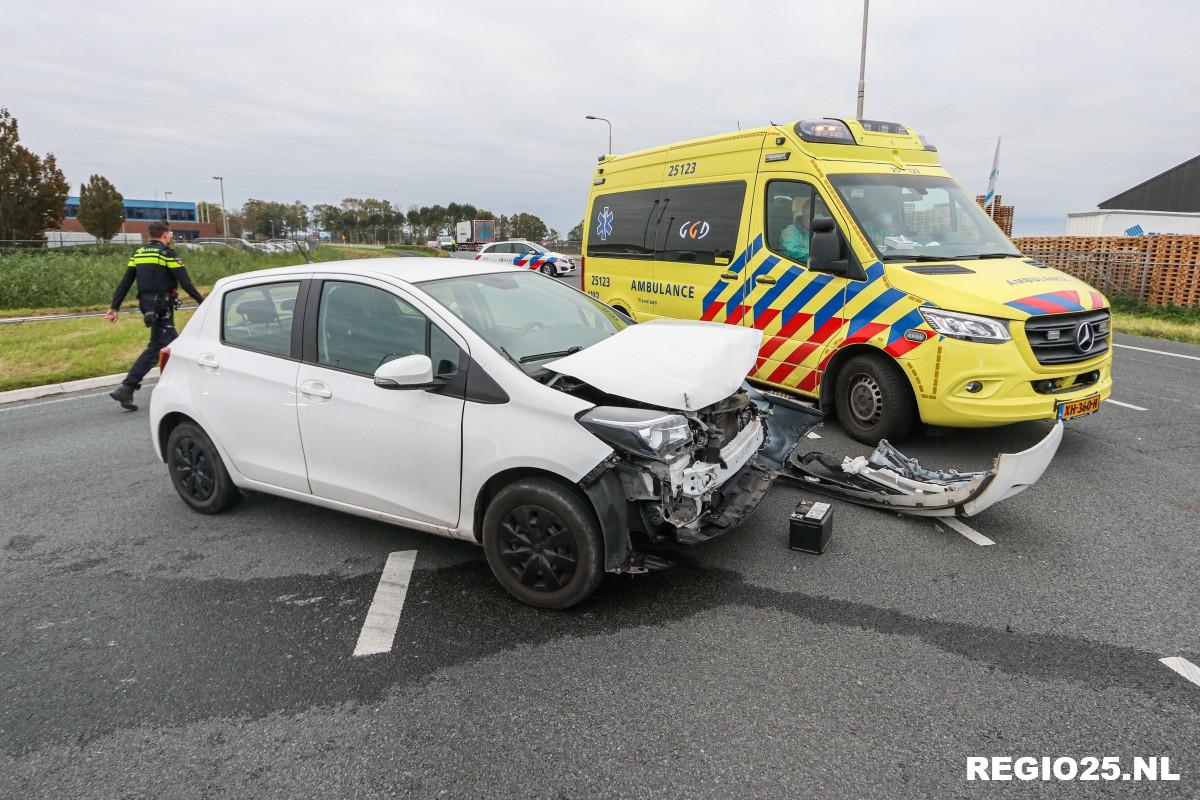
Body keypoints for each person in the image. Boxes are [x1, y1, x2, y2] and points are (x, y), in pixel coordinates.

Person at [106, 222, 205, 411]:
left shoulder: (138, 254)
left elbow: (125, 282)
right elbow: (186, 283)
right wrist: (203, 302)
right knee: (173, 347)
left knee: (164, 346)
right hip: (162, 306)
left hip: (147, 306)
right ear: (165, 235)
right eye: (170, 234)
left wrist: (114, 307)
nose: (171, 237)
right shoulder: (166, 253)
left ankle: (131, 388)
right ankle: (129, 387)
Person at [779, 195, 811, 263]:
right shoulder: (790, 231)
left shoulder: (818, 231)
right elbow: (793, 251)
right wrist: (819, 254)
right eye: (816, 212)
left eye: (822, 213)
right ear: (804, 213)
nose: (819, 216)